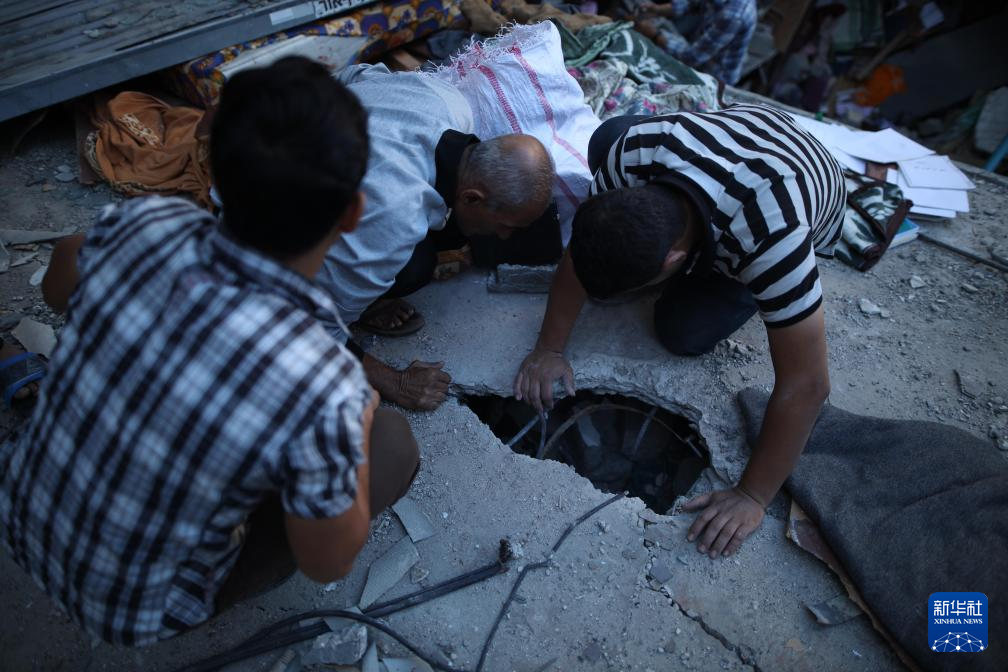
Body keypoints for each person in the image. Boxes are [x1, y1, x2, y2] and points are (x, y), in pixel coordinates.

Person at [0, 57, 420, 646]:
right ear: (352, 212)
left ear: (213, 169)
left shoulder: (142, 223)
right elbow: (329, 563)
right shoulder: (325, 381)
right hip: (131, 611)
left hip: (18, 513)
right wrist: (359, 419)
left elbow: (56, 289)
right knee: (391, 444)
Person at [514, 104, 846, 559]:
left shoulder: (772, 239)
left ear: (675, 261)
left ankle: (733, 287)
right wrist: (549, 347)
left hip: (800, 179)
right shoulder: (632, 153)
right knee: (607, 135)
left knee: (683, 330)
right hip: (735, 145)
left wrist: (751, 496)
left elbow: (808, 385)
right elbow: (582, 250)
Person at [320, 63, 558, 412]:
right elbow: (310, 328)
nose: (505, 235)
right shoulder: (394, 216)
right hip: (256, 210)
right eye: (505, 224)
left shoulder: (446, 100)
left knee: (424, 253)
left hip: (290, 139)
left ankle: (356, 291)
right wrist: (394, 381)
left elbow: (354, 75)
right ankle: (352, 299)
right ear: (472, 197)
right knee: (413, 266)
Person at [631, 0, 757, 85]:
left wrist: (655, 34)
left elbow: (692, 57)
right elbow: (694, 3)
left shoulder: (733, 16)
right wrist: (658, 10)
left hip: (713, 78)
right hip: (699, 54)